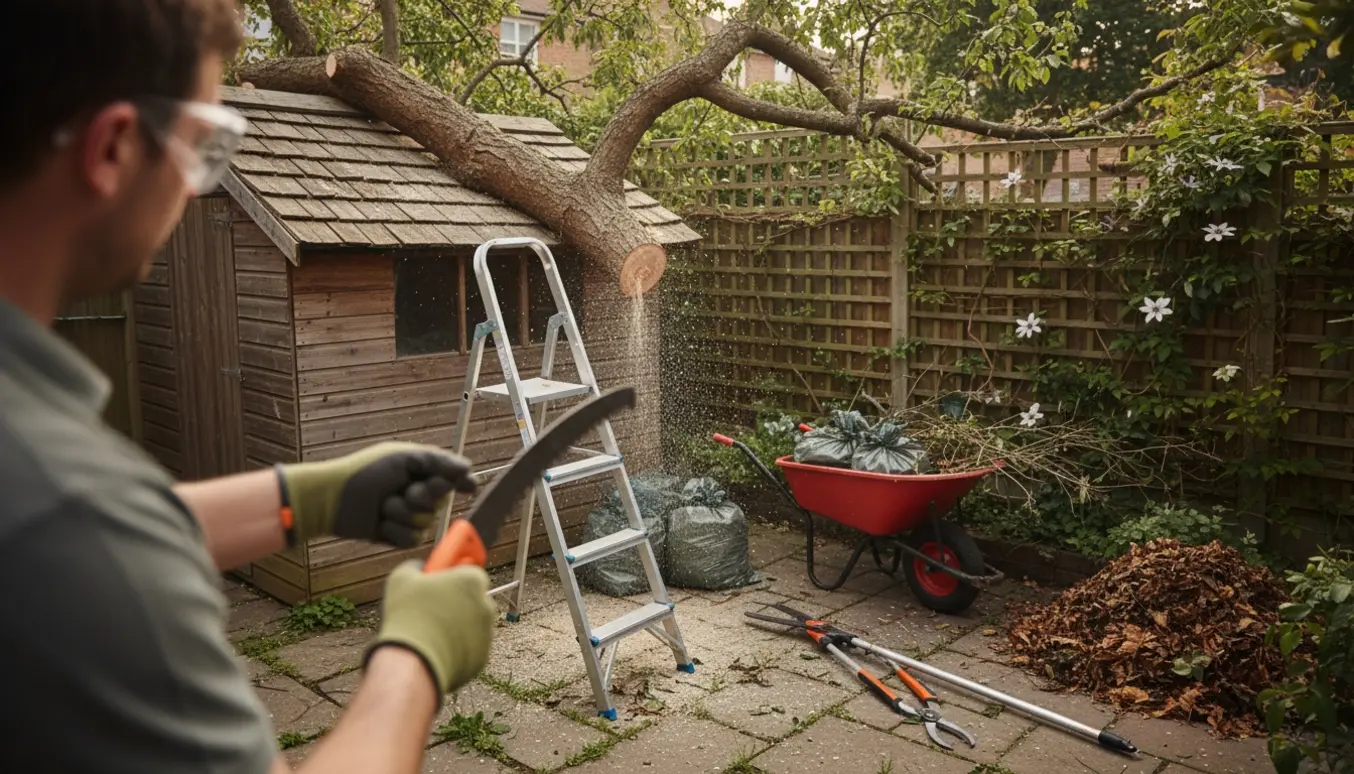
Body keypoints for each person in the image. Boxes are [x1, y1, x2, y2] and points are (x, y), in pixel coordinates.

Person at [0, 2, 499, 772]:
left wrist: (304, 497)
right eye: (202, 146)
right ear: (113, 148)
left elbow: (90, 542)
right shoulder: (66, 507)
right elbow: (88, 537)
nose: (193, 187)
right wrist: (415, 660)